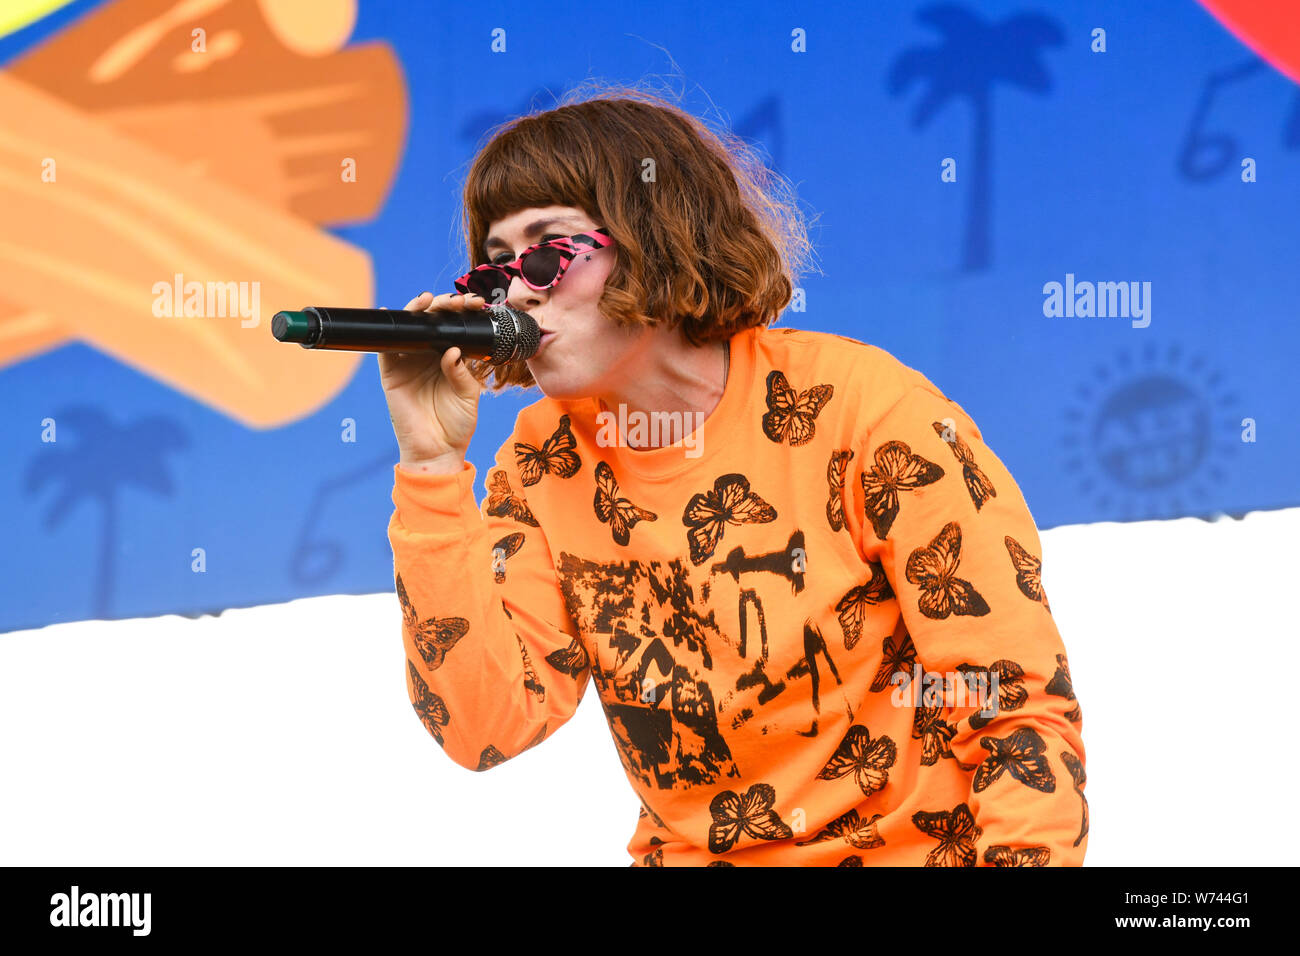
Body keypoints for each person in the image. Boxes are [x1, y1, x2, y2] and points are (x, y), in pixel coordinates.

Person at [381, 84, 1088, 866]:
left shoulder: (867, 411)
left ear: (654, 234)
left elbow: (1013, 708)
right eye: (497, 269)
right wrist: (431, 466)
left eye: (548, 252)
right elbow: (484, 728)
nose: (517, 290)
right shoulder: (539, 461)